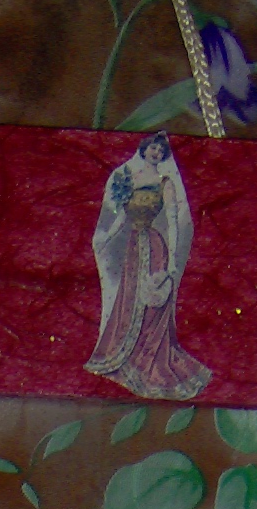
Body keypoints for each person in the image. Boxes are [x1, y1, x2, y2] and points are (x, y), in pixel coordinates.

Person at [85, 131, 211, 401]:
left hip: (155, 248)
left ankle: (148, 357)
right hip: (134, 247)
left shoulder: (165, 183)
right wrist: (105, 238)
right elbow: (122, 218)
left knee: (151, 301)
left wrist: (173, 260)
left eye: (160, 150)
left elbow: (173, 222)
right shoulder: (129, 180)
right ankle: (125, 353)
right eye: (153, 148)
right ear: (144, 149)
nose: (156, 153)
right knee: (129, 299)